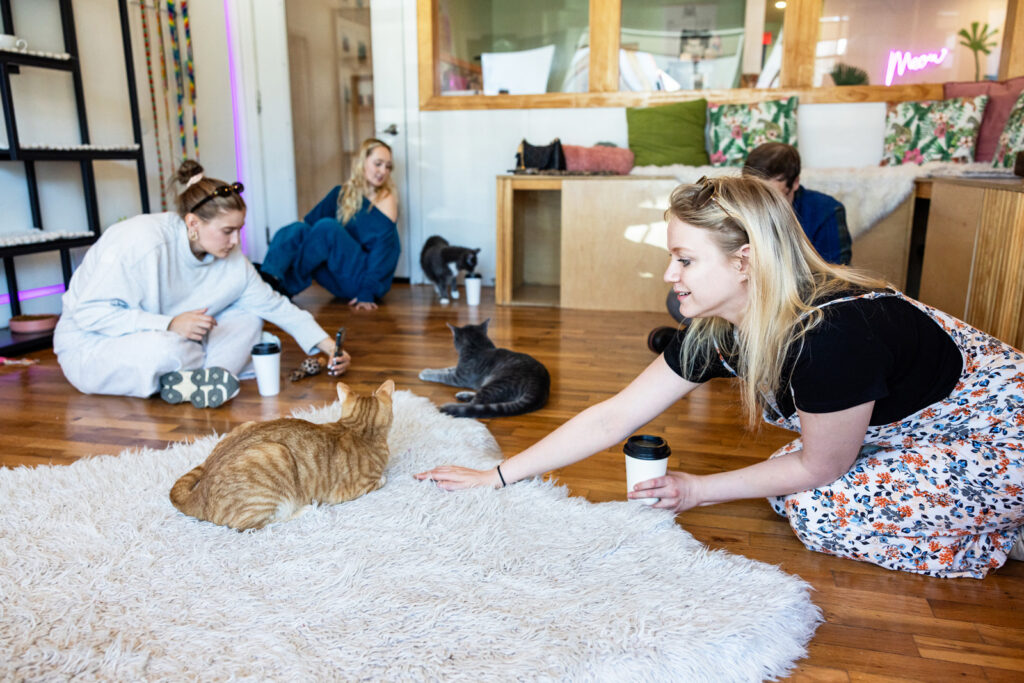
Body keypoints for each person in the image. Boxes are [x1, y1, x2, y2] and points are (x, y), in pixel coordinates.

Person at [416, 175, 1024, 579]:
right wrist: (497, 475)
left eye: (684, 259)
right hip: (913, 428)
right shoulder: (723, 324)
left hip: (1001, 432)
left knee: (820, 505)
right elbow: (615, 413)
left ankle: (1006, 531)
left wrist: (696, 489)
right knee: (791, 483)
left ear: (745, 260)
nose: (668, 275)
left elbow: (822, 466)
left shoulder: (831, 335)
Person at [54, 160, 349, 408]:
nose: (236, 242)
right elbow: (89, 314)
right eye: (228, 231)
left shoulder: (231, 258)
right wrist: (169, 323)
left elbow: (274, 305)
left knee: (248, 319)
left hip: (182, 338)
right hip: (94, 343)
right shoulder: (141, 242)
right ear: (194, 224)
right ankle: (212, 373)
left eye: (239, 231)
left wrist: (329, 348)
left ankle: (200, 381)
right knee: (166, 351)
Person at [648, 142, 852, 353]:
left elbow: (836, 274)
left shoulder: (826, 210)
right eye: (754, 194)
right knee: (677, 299)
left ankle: (706, 349)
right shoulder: (733, 212)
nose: (762, 203)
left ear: (795, 184)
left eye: (772, 195)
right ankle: (717, 348)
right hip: (741, 292)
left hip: (787, 299)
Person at [258, 138, 400, 311]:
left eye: (388, 166)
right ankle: (267, 280)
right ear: (362, 162)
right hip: (336, 276)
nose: (383, 171)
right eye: (378, 164)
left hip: (362, 281)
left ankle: (286, 287)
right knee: (297, 229)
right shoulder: (340, 194)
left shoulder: (387, 200)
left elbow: (384, 254)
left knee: (327, 227)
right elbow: (307, 226)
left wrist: (367, 293)